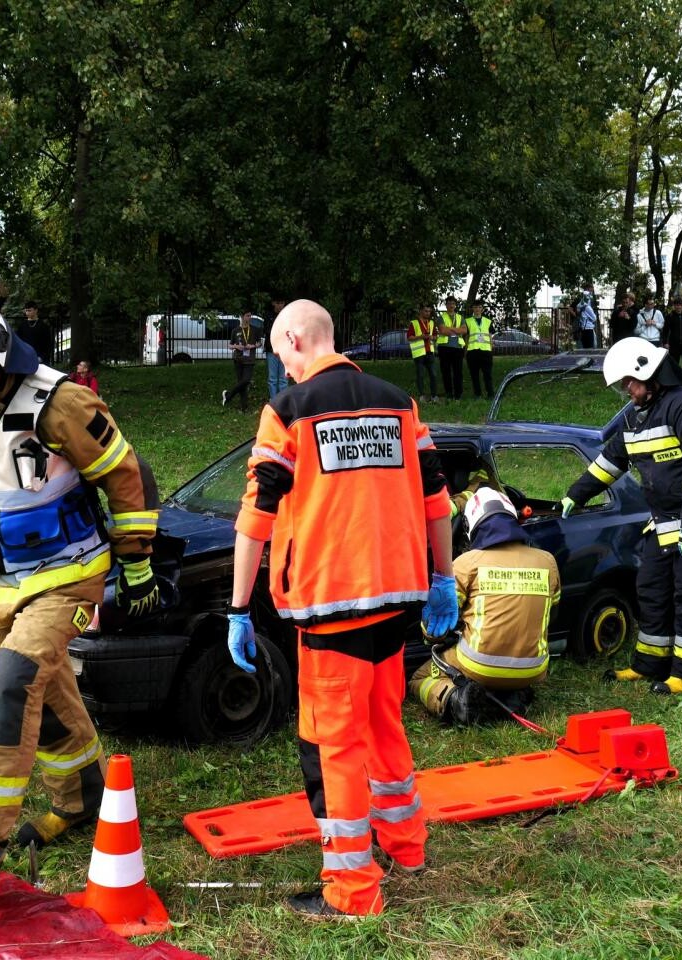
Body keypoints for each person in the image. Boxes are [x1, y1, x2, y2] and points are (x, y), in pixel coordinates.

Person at [0, 286, 162, 906]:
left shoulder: (61, 404)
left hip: (68, 572)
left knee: (14, 680)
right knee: (45, 700)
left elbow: (126, 477)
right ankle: (83, 799)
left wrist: (135, 564)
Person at [227, 299, 456, 920]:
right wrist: (442, 578)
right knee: (385, 725)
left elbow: (256, 517)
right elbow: (437, 498)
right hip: (397, 603)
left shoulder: (289, 411)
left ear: (296, 339)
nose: (282, 367)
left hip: (330, 612)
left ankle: (353, 892)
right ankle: (407, 849)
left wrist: (239, 608)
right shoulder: (399, 402)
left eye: (280, 354)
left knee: (332, 749)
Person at [560, 337, 682, 695]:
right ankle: (649, 664)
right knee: (651, 585)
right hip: (669, 521)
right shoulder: (635, 416)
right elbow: (612, 460)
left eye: (630, 381)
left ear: (650, 372)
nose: (627, 390)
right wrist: (575, 494)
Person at [409, 488, 559, 724]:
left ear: (472, 526)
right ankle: (511, 696)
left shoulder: (467, 563)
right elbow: (553, 612)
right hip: (534, 668)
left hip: (478, 665)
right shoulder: (547, 561)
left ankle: (455, 702)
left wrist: (432, 637)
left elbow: (435, 627)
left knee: (420, 677)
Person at [223, 311, 260, 412]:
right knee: (241, 383)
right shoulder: (235, 330)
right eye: (247, 316)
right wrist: (236, 346)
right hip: (238, 359)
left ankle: (228, 395)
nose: (249, 318)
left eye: (250, 316)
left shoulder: (254, 330)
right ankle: (244, 407)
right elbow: (230, 346)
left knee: (246, 380)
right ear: (242, 317)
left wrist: (253, 346)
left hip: (250, 360)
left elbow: (259, 343)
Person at [435, 297, 467, 401]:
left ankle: (458, 395)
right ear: (446, 305)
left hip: (457, 347)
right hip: (444, 347)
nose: (451, 306)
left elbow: (464, 330)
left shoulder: (460, 317)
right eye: (449, 304)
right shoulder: (441, 317)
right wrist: (457, 330)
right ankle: (448, 393)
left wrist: (451, 329)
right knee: (446, 372)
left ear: (455, 305)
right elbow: (443, 331)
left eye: (453, 304)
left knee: (458, 372)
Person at [406, 304, 439, 402]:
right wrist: (420, 337)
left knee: (433, 374)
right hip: (419, 353)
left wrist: (432, 337)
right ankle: (422, 396)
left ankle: (434, 396)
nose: (428, 313)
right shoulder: (414, 323)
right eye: (426, 311)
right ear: (420, 311)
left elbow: (435, 336)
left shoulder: (432, 323)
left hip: (430, 352)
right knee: (420, 375)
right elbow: (409, 337)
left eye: (429, 311)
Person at [464, 299, 494, 399]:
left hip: (486, 351)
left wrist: (491, 347)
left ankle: (490, 394)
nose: (477, 309)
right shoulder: (467, 321)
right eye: (475, 307)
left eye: (479, 307)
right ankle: (478, 394)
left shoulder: (488, 321)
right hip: (472, 351)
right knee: (474, 375)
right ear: (473, 308)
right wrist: (466, 349)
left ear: (482, 309)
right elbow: (467, 337)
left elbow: (490, 336)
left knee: (487, 374)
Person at [16, 300, 55, 365]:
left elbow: (48, 344)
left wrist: (42, 357)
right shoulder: (22, 326)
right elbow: (19, 342)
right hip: (25, 358)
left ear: (36, 310)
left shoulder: (43, 326)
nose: (27, 313)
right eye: (26, 310)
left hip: (39, 358)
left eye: (29, 310)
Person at [264, 297, 288, 398]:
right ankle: (274, 402)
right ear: (273, 303)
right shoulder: (268, 316)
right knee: (272, 379)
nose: (280, 305)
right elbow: (268, 331)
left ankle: (283, 402)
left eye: (282, 302)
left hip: (285, 351)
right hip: (272, 350)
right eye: (278, 303)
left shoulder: (287, 315)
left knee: (284, 379)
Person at [575, 282, 598, 348]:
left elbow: (578, 310)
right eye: (590, 292)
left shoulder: (579, 305)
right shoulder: (587, 307)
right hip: (589, 328)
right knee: (590, 348)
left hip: (582, 328)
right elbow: (594, 318)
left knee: (584, 347)